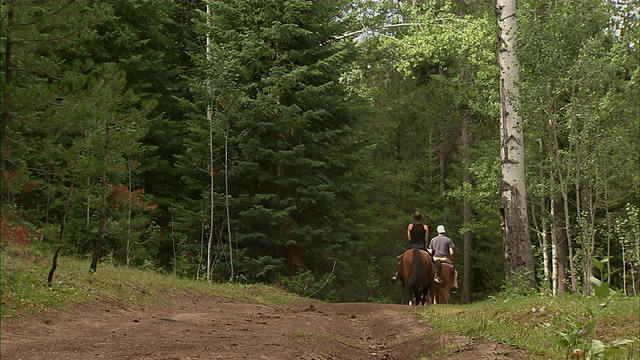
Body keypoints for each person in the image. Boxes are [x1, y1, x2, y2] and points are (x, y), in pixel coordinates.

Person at [392, 211, 433, 281]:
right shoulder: (425, 227)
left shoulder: (410, 226)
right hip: (422, 246)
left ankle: (396, 273)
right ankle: (434, 275)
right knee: (431, 260)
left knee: (400, 260)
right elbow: (426, 239)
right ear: (421, 218)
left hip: (412, 246)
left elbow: (409, 238)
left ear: (413, 218)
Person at [429, 225, 458, 289]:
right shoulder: (448, 240)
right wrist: (452, 259)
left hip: (435, 259)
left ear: (438, 231)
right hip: (445, 259)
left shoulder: (433, 240)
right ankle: (454, 285)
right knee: (455, 272)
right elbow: (451, 252)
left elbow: (430, 252)